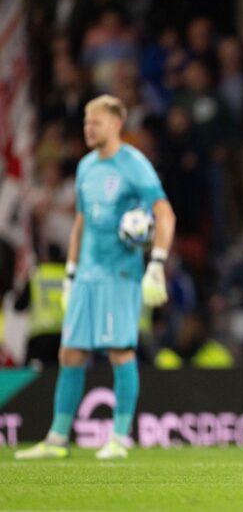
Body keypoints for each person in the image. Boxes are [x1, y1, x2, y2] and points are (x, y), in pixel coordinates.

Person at [15, 95, 176, 460]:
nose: (88, 128)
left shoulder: (135, 166)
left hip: (120, 273)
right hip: (86, 274)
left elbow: (165, 215)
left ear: (116, 124)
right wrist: (71, 274)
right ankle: (57, 439)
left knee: (120, 350)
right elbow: (81, 223)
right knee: (70, 353)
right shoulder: (87, 167)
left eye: (96, 122)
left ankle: (119, 438)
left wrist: (156, 263)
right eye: (86, 122)